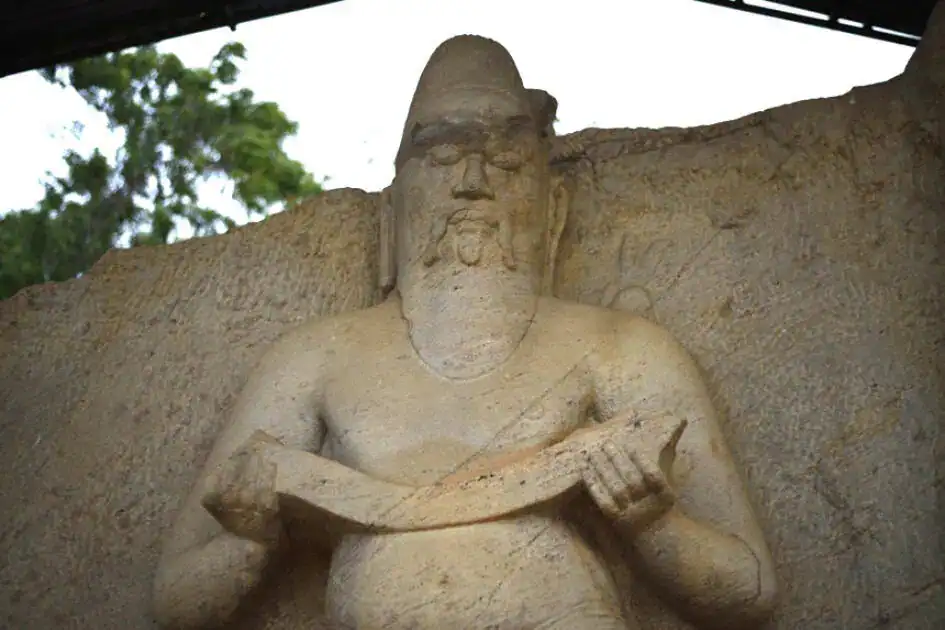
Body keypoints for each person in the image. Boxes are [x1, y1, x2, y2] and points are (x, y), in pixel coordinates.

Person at [153, 35, 777, 630]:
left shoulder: (621, 350)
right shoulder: (315, 358)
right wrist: (248, 538)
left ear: (553, 210)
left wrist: (653, 524)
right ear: (390, 214)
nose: (473, 183)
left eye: (506, 159)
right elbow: (178, 602)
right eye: (443, 154)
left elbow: (748, 589)